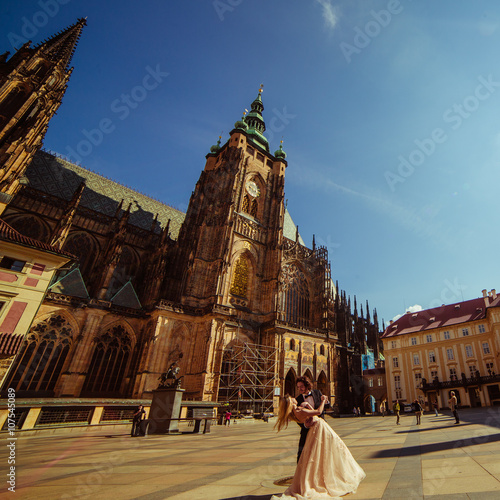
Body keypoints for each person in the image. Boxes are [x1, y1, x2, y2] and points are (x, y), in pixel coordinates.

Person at [271, 394, 365, 500]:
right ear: (290, 401)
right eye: (292, 398)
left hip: (317, 430)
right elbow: (319, 412)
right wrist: (323, 401)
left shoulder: (296, 411)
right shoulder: (299, 411)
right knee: (334, 451)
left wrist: (307, 405)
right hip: (320, 429)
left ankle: (326, 479)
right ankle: (334, 480)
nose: (294, 398)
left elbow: (312, 416)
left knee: (322, 455)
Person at [295, 376, 325, 462]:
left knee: (321, 451)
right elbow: (297, 417)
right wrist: (304, 425)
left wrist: (325, 401)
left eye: (301, 386)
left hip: (319, 427)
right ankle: (300, 473)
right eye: (298, 387)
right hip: (306, 429)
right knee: (301, 452)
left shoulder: (317, 393)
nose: (299, 389)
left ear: (307, 385)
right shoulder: (298, 400)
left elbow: (323, 409)